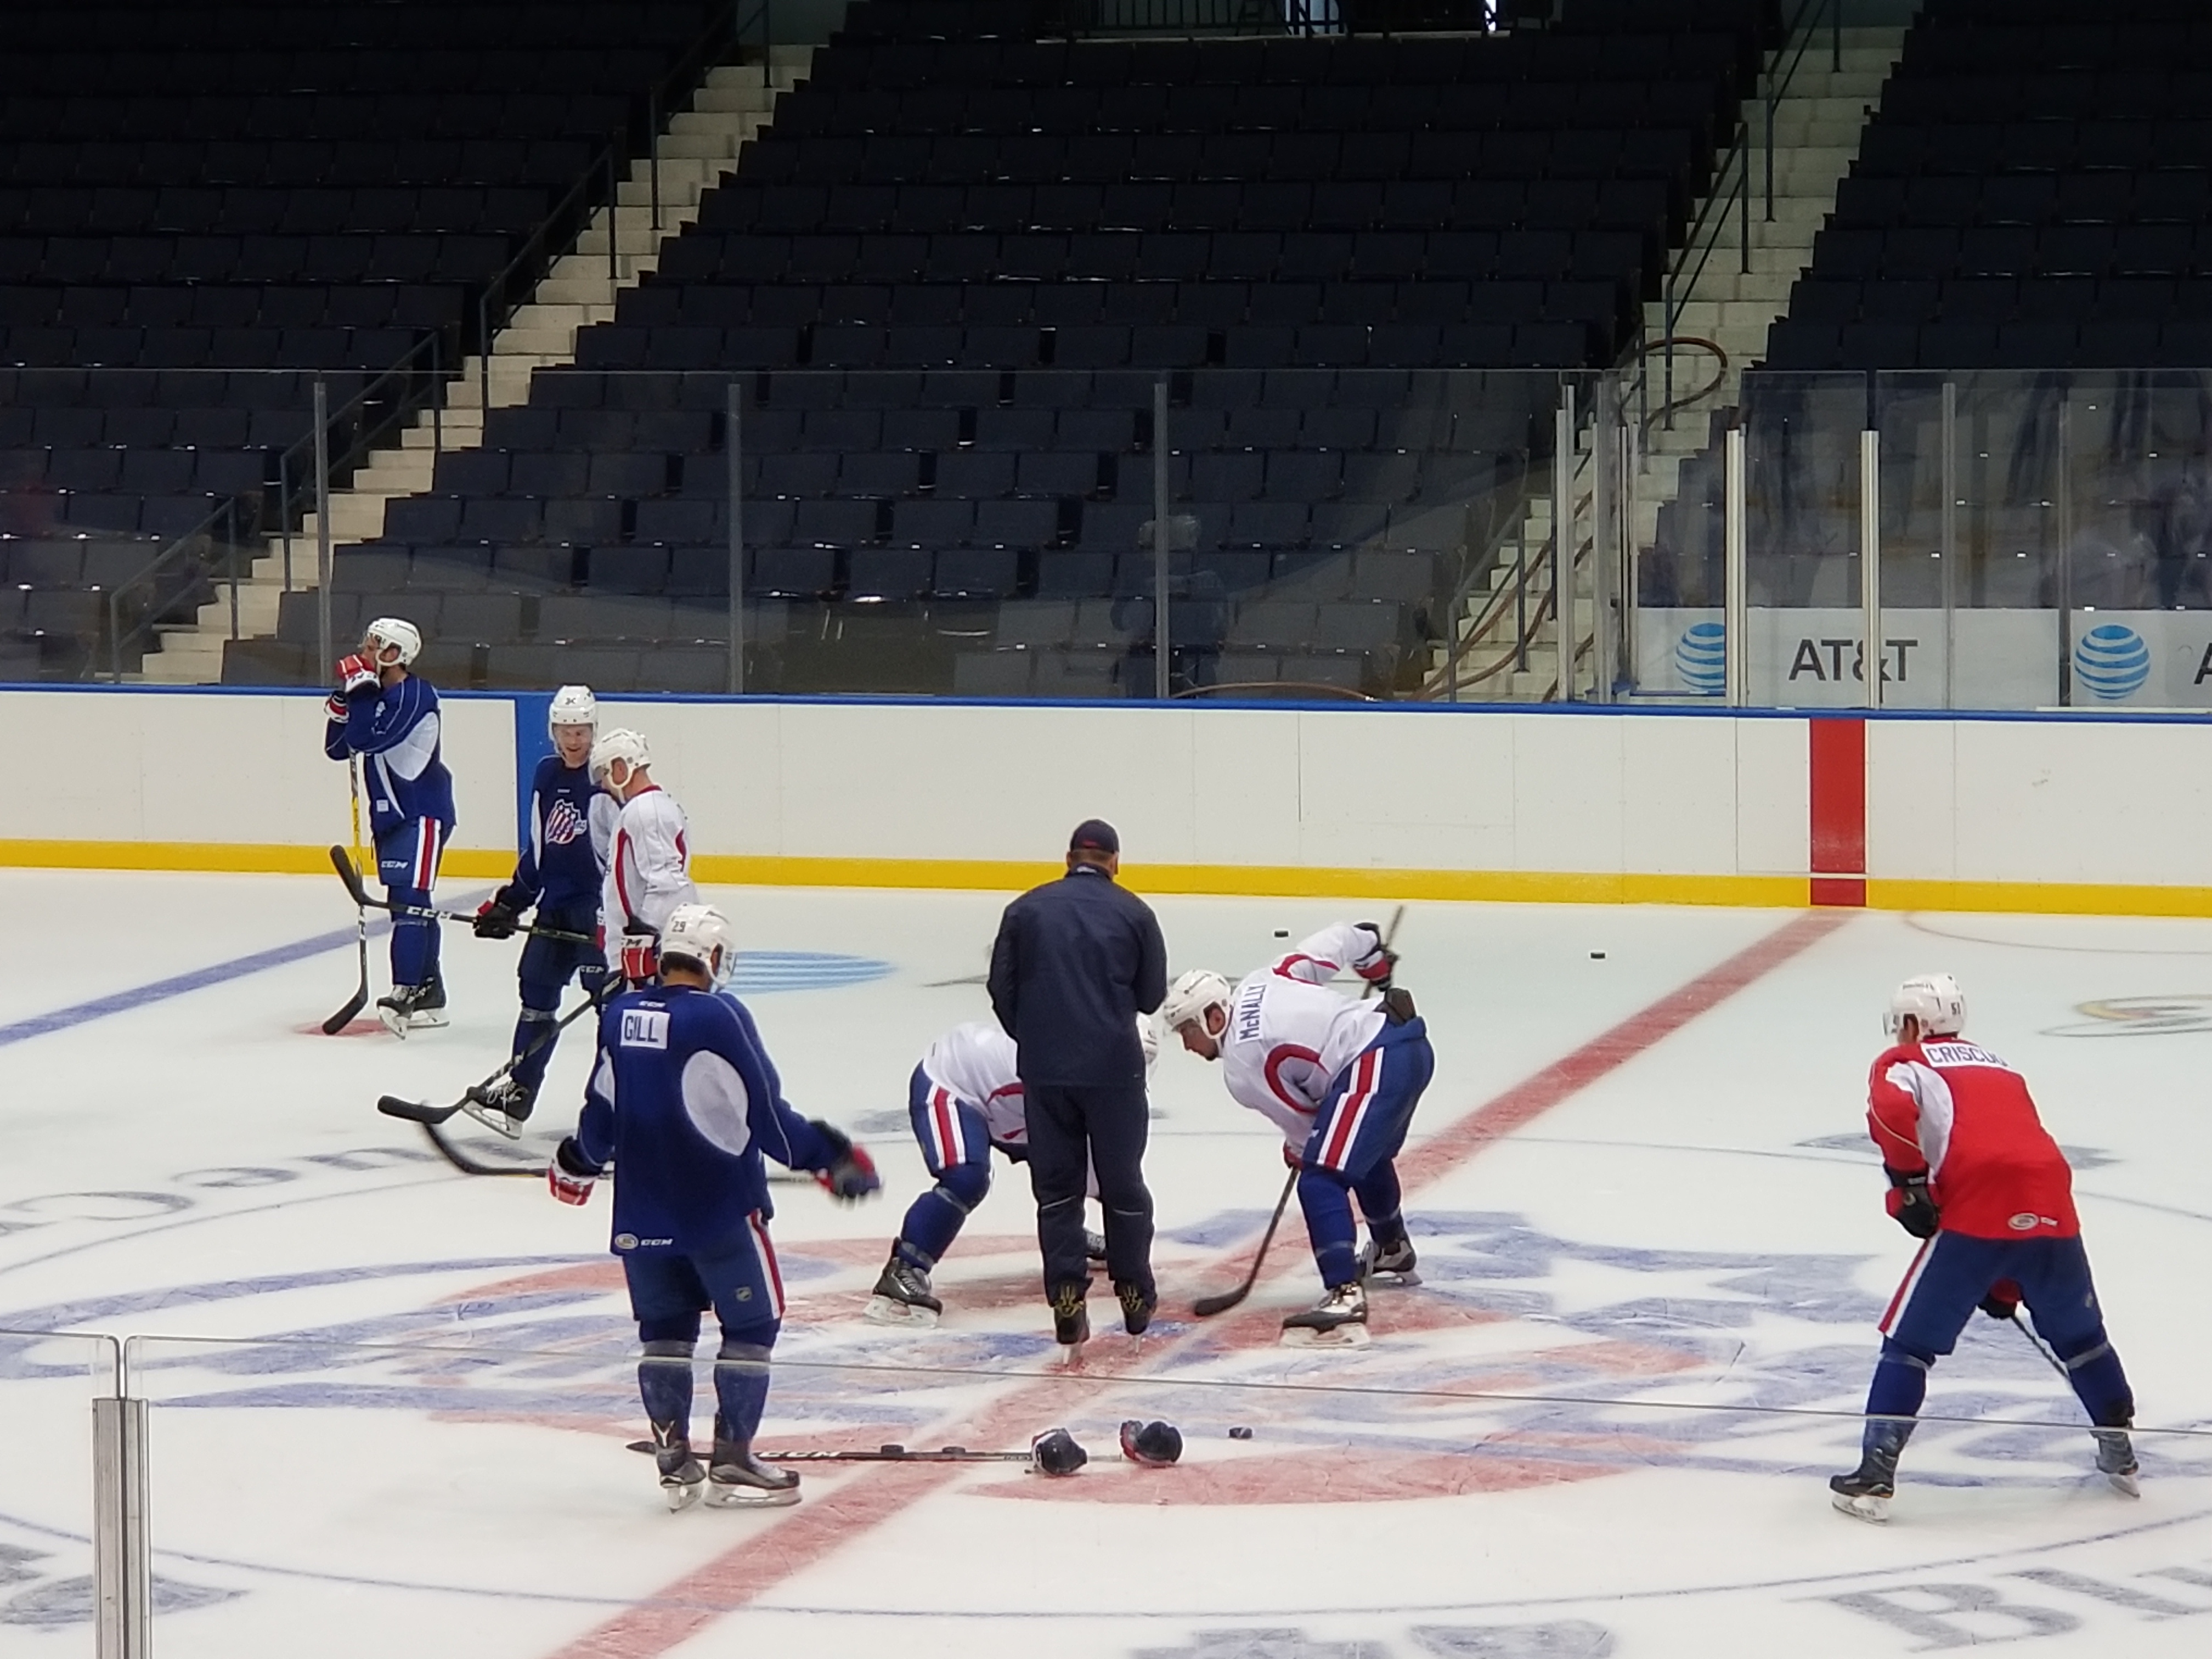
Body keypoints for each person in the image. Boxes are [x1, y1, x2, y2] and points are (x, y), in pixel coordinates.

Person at [549, 903, 881, 1510]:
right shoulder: (722, 1017)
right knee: (753, 1326)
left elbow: (601, 1111)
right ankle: (732, 1459)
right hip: (719, 1211)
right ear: (714, 958)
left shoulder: (619, 1013)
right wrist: (830, 1158)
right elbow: (768, 1119)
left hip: (642, 1214)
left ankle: (675, 1459)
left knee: (665, 1331)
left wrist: (577, 1161)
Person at [1829, 973, 2139, 1523]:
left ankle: (1876, 1472)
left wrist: (1909, 1184)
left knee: (1908, 1345)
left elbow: (1889, 1112)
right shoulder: (2001, 1065)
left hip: (1977, 1204)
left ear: (1912, 1023)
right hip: (2051, 1201)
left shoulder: (1904, 1062)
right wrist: (2001, 1282)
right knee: (2081, 1337)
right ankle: (2120, 1447)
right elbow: (2015, 1148)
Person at [1159, 921, 1425, 1347]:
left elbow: (1306, 1121)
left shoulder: (1241, 1067)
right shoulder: (1264, 979)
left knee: (1321, 1177)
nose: (1187, 1045)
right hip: (1407, 1043)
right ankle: (1391, 1247)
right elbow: (1341, 937)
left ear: (1213, 1017)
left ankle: (1344, 1294)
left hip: (1373, 1063)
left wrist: (1301, 1149)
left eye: (1187, 1030)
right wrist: (1372, 958)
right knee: (1363, 1157)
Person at [986, 819, 1167, 1346]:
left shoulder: (1024, 910)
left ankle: (1067, 1292)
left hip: (1046, 1070)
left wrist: (1037, 1036)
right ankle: (1133, 1290)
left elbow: (1002, 988)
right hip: (1114, 1069)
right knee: (1122, 1184)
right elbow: (1151, 995)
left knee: (1058, 1191)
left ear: (1068, 858)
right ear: (1115, 861)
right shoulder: (1135, 913)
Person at [866, 1016, 1155, 1327]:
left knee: (1102, 1170)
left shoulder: (1087, 1060)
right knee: (967, 1177)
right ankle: (904, 1268)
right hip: (954, 1086)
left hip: (1019, 1100)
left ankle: (1073, 1237)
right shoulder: (1050, 1064)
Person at [466, 685, 617, 1133]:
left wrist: (625, 919)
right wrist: (511, 901)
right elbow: (539, 847)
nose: (575, 740)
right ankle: (519, 1093)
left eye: (583, 730)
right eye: (567, 730)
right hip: (554, 910)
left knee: (612, 1011)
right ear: (554, 731)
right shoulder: (547, 774)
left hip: (598, 917)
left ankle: (610, 1112)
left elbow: (621, 859)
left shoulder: (606, 782)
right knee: (535, 998)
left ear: (595, 731)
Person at [321, 616, 456, 1035]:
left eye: (375, 645)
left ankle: (406, 989)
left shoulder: (417, 695)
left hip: (422, 811)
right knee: (410, 901)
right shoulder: (377, 694)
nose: (365, 651)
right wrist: (343, 706)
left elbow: (369, 740)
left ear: (395, 654)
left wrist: (359, 693)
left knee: (408, 901)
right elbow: (337, 748)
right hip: (394, 816)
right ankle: (429, 992)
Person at [591, 727, 695, 988]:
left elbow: (668, 887)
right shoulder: (646, 808)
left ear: (620, 768)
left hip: (648, 964)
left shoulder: (647, 811)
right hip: (635, 957)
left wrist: (643, 947)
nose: (603, 784)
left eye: (604, 773)